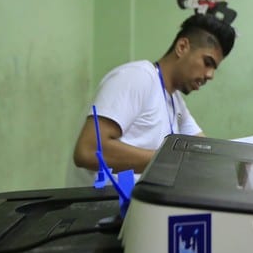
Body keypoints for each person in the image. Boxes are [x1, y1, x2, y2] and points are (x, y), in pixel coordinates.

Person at [73, 13, 236, 173]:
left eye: (214, 68)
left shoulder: (175, 99)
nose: (210, 75)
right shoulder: (137, 77)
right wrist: (173, 161)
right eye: (207, 63)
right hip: (105, 198)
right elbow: (88, 150)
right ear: (182, 47)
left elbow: (203, 149)